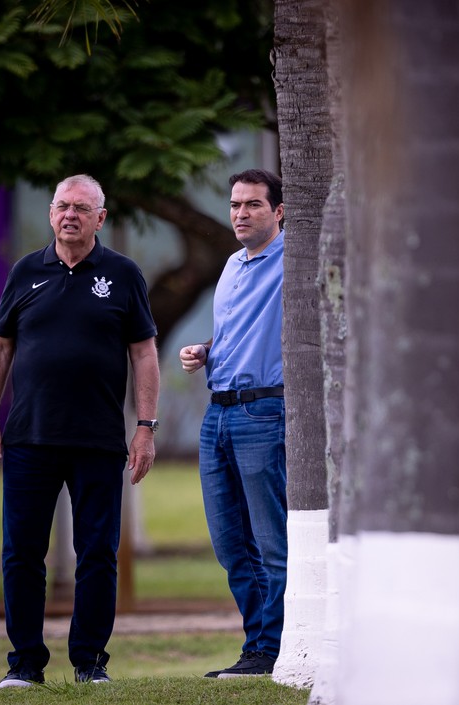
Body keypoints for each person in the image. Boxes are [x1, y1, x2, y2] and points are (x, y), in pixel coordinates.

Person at [0, 173, 160, 688]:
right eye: (62, 206)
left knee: (97, 552)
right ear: (52, 213)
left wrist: (145, 427)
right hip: (29, 438)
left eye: (81, 207)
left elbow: (143, 353)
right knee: (22, 553)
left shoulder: (123, 275)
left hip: (99, 441)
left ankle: (89, 662)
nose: (69, 215)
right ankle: (26, 665)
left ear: (100, 217)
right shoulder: (25, 272)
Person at [179, 168, 287, 677]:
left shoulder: (293, 258)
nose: (241, 214)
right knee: (230, 544)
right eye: (235, 205)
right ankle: (255, 647)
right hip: (217, 412)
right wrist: (206, 349)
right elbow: (235, 332)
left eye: (254, 205)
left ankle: (273, 649)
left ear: (279, 212)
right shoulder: (230, 265)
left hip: (263, 412)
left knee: (270, 542)